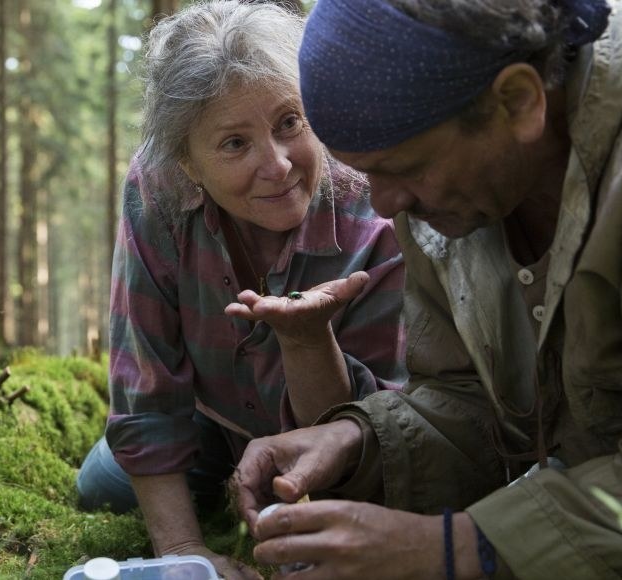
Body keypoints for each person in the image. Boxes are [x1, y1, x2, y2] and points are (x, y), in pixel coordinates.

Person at [231, 0, 622, 578]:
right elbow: (470, 397)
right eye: (367, 173)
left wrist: (458, 549)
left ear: (517, 101)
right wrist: (357, 440)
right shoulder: (454, 195)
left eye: (404, 166)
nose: (386, 203)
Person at [75, 2, 408, 578]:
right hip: (210, 421)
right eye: (234, 143)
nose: (276, 165)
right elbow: (145, 381)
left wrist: (307, 341)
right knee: (102, 486)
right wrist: (182, 552)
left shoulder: (373, 204)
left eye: (289, 123)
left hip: (335, 441)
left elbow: (377, 425)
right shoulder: (156, 189)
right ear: (188, 163)